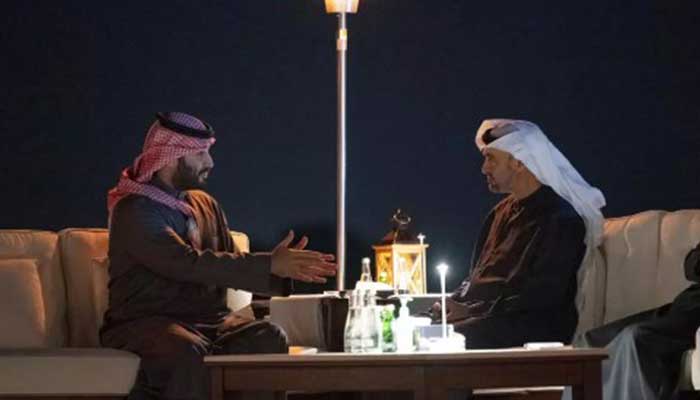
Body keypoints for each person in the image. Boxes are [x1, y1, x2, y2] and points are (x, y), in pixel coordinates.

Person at [100, 112, 336, 400]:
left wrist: (277, 269)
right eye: (200, 153)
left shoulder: (205, 205)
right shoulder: (135, 210)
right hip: (146, 323)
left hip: (211, 322)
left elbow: (227, 263)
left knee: (267, 337)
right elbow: (185, 263)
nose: (209, 162)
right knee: (185, 349)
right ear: (172, 157)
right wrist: (268, 264)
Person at [431, 119, 606, 349]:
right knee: (411, 330)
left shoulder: (560, 220)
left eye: (491, 158)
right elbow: (479, 276)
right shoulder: (499, 213)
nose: (484, 169)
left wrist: (471, 310)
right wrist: (453, 302)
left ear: (519, 162)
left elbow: (540, 298)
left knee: (437, 342)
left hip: (528, 330)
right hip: (483, 320)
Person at [562, 243, 700, 400]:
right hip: (683, 305)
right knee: (588, 343)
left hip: (693, 316)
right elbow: (690, 269)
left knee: (638, 338)